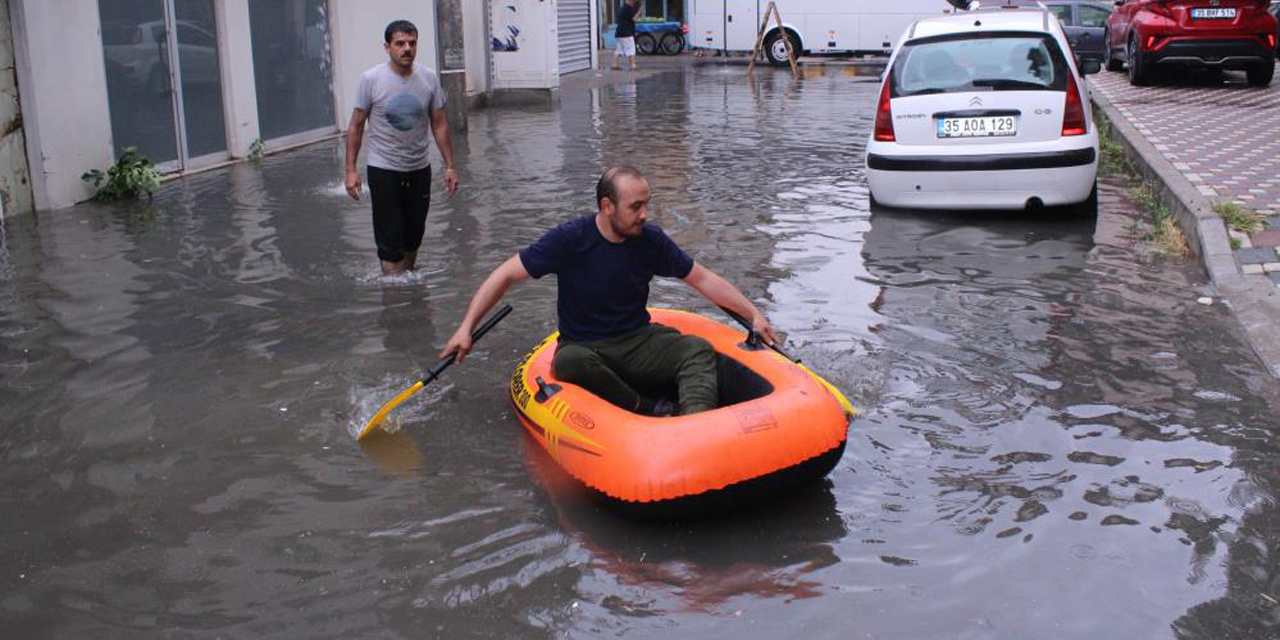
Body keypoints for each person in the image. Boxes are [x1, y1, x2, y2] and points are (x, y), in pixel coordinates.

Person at [440, 166, 779, 417]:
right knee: (570, 361)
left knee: (697, 350)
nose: (645, 214)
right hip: (587, 347)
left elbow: (702, 279)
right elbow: (504, 275)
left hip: (637, 339)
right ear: (607, 207)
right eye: (635, 207)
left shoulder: (650, 240)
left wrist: (753, 314)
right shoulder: (570, 240)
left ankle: (696, 422)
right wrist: (465, 328)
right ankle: (645, 408)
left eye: (647, 204)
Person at [345, 19, 459, 275]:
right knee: (391, 241)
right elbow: (356, 126)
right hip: (383, 168)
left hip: (419, 168)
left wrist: (450, 166)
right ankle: (395, 295)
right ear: (387, 47)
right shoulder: (371, 79)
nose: (406, 48)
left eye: (412, 43)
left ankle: (409, 294)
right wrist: (351, 170)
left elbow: (439, 124)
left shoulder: (429, 78)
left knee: (413, 236)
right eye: (400, 43)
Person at [612, 0, 639, 71]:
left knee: (618, 49)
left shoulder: (621, 9)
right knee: (631, 49)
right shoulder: (629, 9)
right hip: (627, 33)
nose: (634, 3)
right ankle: (632, 65)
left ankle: (614, 65)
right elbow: (634, 19)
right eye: (633, 1)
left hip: (619, 33)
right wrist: (639, 13)